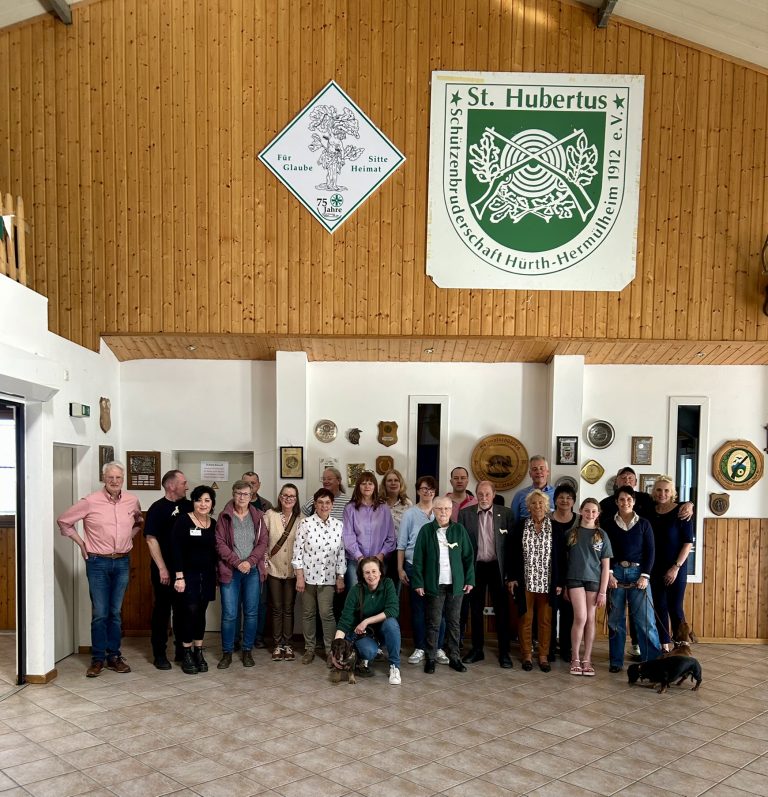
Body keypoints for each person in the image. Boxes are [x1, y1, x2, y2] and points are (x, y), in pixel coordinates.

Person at [57, 461, 143, 677]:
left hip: (122, 562)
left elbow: (138, 522)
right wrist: (81, 544)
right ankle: (97, 659)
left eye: (118, 477)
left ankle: (114, 657)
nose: (114, 481)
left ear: (123, 479)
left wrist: (128, 540)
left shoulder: (132, 501)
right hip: (97, 563)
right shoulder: (90, 501)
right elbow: (64, 521)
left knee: (115, 612)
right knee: (100, 613)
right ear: (103, 478)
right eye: (110, 477)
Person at [411, 496, 475, 674]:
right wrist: (418, 582)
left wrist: (469, 579)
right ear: (433, 510)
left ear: (451, 510)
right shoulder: (426, 531)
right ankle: (430, 658)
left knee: (454, 622)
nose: (443, 512)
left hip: (456, 585)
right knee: (433, 622)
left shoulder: (459, 530)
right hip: (434, 584)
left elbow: (468, 557)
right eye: (439, 509)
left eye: (447, 508)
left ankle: (455, 657)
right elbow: (418, 559)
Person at [603, 485, 662, 672]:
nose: (625, 502)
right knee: (615, 621)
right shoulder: (608, 524)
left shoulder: (644, 524)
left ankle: (652, 663)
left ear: (634, 502)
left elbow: (651, 552)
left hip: (638, 575)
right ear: (616, 502)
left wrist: (645, 576)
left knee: (645, 621)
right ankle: (616, 662)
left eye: (629, 499)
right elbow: (605, 551)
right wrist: (609, 574)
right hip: (616, 574)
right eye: (621, 499)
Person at [458, 481, 514, 668]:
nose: (483, 498)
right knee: (475, 610)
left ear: (494, 494)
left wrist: (510, 575)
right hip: (476, 568)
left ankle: (504, 652)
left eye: (487, 494)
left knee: (502, 610)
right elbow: (461, 546)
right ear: (476, 495)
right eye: (480, 494)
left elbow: (512, 547)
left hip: (498, 568)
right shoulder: (465, 514)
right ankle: (477, 649)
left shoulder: (505, 514)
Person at [507, 489, 564, 672]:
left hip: (547, 582)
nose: (537, 506)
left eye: (541, 503)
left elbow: (561, 558)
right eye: (533, 503)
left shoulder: (555, 528)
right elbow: (511, 553)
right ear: (528, 507)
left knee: (545, 621)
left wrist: (559, 582)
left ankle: (543, 655)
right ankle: (526, 655)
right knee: (525, 619)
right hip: (526, 582)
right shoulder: (520, 527)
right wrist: (512, 577)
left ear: (546, 506)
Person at [215, 480, 268, 668]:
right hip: (230, 571)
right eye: (238, 493)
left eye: (246, 494)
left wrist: (250, 562)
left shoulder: (258, 516)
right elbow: (220, 543)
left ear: (251, 495)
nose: (242, 497)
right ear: (233, 494)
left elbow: (263, 542)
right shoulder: (224, 516)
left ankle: (247, 651)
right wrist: (237, 562)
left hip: (252, 571)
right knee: (229, 614)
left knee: (251, 613)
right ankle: (227, 652)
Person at [397, 476, 448, 666]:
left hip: (437, 568)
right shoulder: (410, 513)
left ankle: (438, 647)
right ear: (418, 490)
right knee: (418, 609)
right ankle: (419, 647)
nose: (428, 492)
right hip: (414, 566)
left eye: (431, 489)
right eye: (424, 488)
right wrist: (400, 568)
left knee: (439, 610)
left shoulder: (441, 511)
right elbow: (401, 544)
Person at [144, 469, 192, 669]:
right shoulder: (157, 508)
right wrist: (162, 568)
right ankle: (159, 654)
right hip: (163, 569)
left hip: (185, 570)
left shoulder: (189, 506)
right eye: (183, 483)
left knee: (183, 610)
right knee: (162, 611)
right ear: (171, 485)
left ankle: (182, 651)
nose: (186, 486)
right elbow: (151, 539)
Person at [292, 488, 346, 664]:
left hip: (328, 578)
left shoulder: (338, 525)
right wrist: (299, 576)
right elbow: (297, 551)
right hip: (307, 578)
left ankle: (331, 652)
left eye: (327, 503)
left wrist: (340, 577)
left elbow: (341, 553)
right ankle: (309, 649)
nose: (324, 506)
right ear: (315, 504)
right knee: (308, 613)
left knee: (326, 614)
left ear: (332, 505)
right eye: (320, 502)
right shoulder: (305, 524)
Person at [171, 485, 217, 675]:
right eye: (199, 500)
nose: (203, 504)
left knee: (201, 613)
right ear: (193, 502)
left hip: (207, 576)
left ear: (212, 503)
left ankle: (198, 650)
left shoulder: (213, 523)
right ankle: (186, 651)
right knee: (188, 612)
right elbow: (175, 549)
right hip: (187, 576)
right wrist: (179, 576)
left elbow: (215, 552)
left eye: (207, 500)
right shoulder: (183, 521)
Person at [335, 556, 402, 684]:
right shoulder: (356, 590)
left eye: (374, 571)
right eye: (367, 572)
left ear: (380, 572)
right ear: (362, 575)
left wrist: (366, 621)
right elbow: (344, 621)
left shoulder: (388, 584)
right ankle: (366, 654)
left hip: (382, 630)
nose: (371, 575)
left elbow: (393, 610)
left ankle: (395, 666)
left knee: (392, 623)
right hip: (363, 634)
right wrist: (335, 649)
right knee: (368, 651)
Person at [564, 498, 612, 677]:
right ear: (580, 511)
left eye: (593, 511)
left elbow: (606, 566)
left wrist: (603, 592)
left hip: (594, 581)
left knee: (590, 618)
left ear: (598, 514)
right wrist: (564, 585)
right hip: (574, 579)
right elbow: (564, 560)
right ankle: (575, 657)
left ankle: (587, 658)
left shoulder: (602, 535)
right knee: (580, 617)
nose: (590, 514)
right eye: (587, 510)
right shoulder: (571, 533)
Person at [649, 476, 694, 649]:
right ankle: (664, 646)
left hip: (676, 567)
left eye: (666, 490)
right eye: (659, 490)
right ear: (654, 492)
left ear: (673, 493)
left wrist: (675, 567)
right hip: (655, 567)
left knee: (675, 607)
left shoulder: (682, 512)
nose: (662, 493)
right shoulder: (649, 511)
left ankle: (682, 646)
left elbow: (688, 543)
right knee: (659, 606)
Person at [264, 483, 301, 661]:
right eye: (285, 495)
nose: (288, 499)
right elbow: (262, 541)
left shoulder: (301, 519)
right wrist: (264, 564)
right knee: (277, 608)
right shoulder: (270, 515)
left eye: (292, 496)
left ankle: (288, 644)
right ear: (280, 497)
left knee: (289, 608)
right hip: (274, 568)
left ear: (296, 499)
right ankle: (277, 644)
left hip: (293, 571)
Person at [342, 471, 396, 587]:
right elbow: (348, 536)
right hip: (356, 560)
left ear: (375, 486)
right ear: (358, 486)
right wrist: (359, 556)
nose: (367, 486)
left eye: (370, 483)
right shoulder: (350, 508)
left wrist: (382, 554)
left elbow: (391, 536)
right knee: (355, 592)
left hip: (379, 560)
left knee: (378, 593)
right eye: (363, 483)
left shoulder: (384, 508)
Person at [241, 471, 272, 649]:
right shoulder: (232, 504)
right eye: (246, 483)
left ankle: (257, 637)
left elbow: (269, 537)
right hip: (238, 562)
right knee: (237, 604)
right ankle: (237, 638)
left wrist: (264, 562)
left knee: (260, 602)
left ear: (258, 485)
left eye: (253, 483)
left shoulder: (266, 505)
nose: (250, 486)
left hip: (260, 562)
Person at [549, 483, 579, 663]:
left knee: (569, 613)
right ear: (555, 500)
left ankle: (567, 648)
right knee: (550, 612)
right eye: (561, 497)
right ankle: (550, 647)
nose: (565, 500)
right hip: (551, 573)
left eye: (569, 498)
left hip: (574, 573)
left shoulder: (580, 520)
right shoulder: (547, 519)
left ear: (573, 501)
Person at [510, 456, 555, 523]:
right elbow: (513, 521)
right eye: (535, 469)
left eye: (541, 468)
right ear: (530, 474)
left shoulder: (557, 494)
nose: (538, 472)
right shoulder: (519, 495)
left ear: (548, 472)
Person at [380, 468, 413, 532]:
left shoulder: (407, 504)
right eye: (389, 480)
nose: (393, 483)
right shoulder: (377, 504)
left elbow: (411, 527)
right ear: (384, 484)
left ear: (400, 483)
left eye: (396, 480)